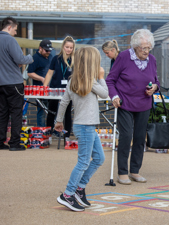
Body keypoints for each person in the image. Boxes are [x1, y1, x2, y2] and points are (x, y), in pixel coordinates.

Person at [55, 46, 108, 212]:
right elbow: (105, 93)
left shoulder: (73, 80)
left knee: (99, 158)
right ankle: (68, 194)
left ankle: (79, 188)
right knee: (84, 161)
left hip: (85, 126)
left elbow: (64, 102)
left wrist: (58, 121)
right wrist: (101, 77)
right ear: (91, 63)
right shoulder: (91, 81)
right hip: (85, 127)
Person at [105, 29, 160, 185]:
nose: (146, 51)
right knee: (126, 135)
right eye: (143, 48)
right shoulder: (123, 57)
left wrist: (155, 87)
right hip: (125, 103)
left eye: (149, 47)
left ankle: (135, 171)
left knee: (139, 138)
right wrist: (114, 96)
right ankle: (122, 172)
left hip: (144, 104)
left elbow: (157, 81)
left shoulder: (153, 60)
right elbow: (110, 80)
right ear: (135, 46)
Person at [0, 16, 33, 151]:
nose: (15, 32)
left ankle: (0, 141)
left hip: (1, 83)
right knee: (16, 113)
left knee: (2, 113)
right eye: (15, 29)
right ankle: (14, 143)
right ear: (9, 27)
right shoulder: (10, 40)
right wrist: (30, 57)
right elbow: (20, 59)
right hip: (13, 83)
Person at [43, 36, 75, 139]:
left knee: (67, 113)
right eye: (67, 47)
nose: (69, 49)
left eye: (71, 47)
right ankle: (49, 134)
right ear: (63, 47)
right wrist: (44, 87)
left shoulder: (75, 60)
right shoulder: (55, 58)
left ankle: (67, 136)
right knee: (51, 112)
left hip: (68, 91)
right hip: (55, 90)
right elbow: (49, 73)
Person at [27, 39, 53, 127]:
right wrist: (42, 79)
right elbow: (29, 73)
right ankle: (41, 131)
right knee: (41, 111)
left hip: (51, 89)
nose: (48, 52)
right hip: (39, 89)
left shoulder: (50, 57)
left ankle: (51, 130)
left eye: (49, 50)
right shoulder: (35, 58)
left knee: (52, 110)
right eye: (46, 50)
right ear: (40, 48)